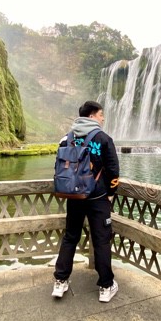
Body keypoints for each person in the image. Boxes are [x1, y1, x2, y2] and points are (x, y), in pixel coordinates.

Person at [52, 100, 120, 302]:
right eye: (101, 115)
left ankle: (60, 281)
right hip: (98, 197)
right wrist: (110, 193)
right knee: (101, 240)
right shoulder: (103, 139)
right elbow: (113, 170)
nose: (103, 119)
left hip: (74, 196)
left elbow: (58, 166)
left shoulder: (66, 138)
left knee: (70, 237)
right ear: (91, 116)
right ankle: (106, 286)